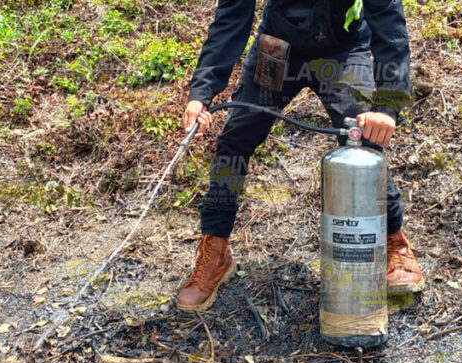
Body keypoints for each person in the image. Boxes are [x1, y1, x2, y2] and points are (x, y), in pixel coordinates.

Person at [176, 0, 424, 311]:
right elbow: (230, 20)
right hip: (277, 49)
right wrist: (201, 94)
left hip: (342, 51)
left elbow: (389, 22)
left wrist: (387, 106)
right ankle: (216, 249)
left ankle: (393, 241)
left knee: (364, 142)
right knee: (235, 139)